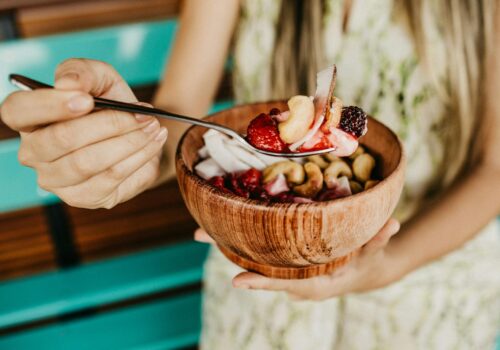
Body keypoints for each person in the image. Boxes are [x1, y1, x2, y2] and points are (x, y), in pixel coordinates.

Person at [1, 0, 499, 348]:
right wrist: (123, 148)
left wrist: (387, 266)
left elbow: (493, 169)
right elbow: (178, 124)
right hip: (258, 259)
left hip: (425, 271)